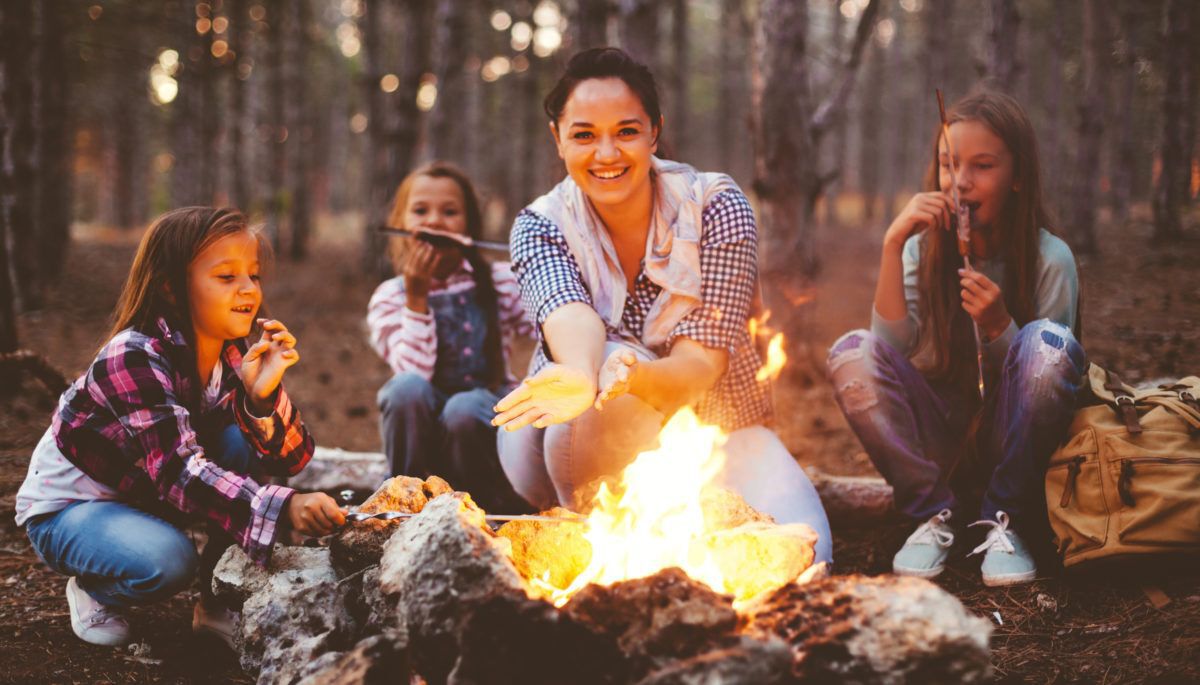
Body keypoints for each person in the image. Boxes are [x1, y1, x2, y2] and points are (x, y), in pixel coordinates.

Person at [492, 47, 832, 565]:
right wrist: (586, 373)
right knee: (594, 379)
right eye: (584, 134)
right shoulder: (539, 225)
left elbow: (700, 366)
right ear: (557, 138)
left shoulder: (716, 205)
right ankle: (586, 543)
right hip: (561, 441)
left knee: (810, 555)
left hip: (712, 423)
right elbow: (569, 314)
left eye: (626, 131)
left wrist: (628, 378)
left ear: (655, 132)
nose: (606, 153)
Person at [14, 207, 344, 648]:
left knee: (240, 438)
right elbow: (178, 471)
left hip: (144, 494)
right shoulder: (133, 356)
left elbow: (293, 458)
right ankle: (93, 588)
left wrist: (261, 398)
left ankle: (215, 602)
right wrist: (284, 508)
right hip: (71, 512)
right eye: (226, 277)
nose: (248, 289)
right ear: (171, 286)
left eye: (254, 275)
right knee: (167, 560)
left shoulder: (231, 355)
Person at [826, 90, 1086, 586]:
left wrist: (999, 328)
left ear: (1017, 177)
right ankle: (933, 513)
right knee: (850, 354)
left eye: (982, 166)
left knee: (1046, 344)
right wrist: (892, 244)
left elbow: (1050, 387)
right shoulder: (923, 249)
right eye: (948, 164)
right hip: (943, 435)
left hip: (1018, 447)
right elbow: (886, 351)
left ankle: (1005, 517)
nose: (960, 182)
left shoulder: (1051, 260)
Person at [368, 162, 534, 512]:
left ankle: (487, 507)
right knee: (404, 389)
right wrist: (416, 298)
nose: (435, 221)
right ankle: (402, 501)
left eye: (450, 212)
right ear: (401, 225)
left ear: (470, 225)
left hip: (483, 424)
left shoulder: (501, 280)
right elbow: (414, 373)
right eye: (420, 211)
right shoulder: (390, 297)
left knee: (463, 408)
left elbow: (548, 325)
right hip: (424, 433)